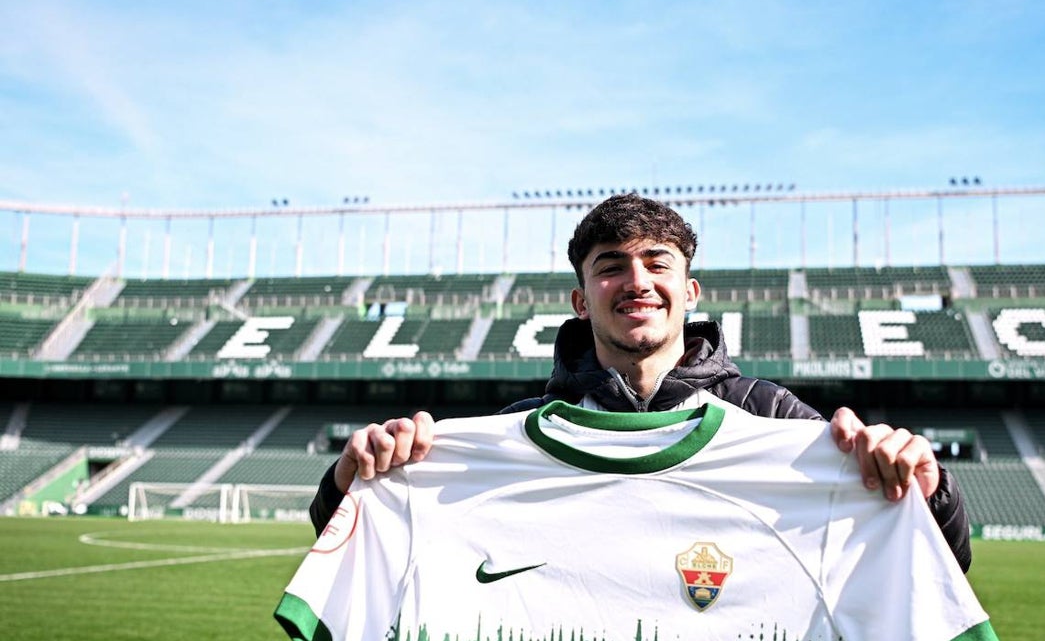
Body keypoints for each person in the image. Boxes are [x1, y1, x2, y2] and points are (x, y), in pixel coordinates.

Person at [308, 193, 971, 572]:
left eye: (657, 263)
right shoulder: (514, 431)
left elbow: (932, 564)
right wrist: (354, 479)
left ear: (690, 289)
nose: (637, 281)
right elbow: (366, 552)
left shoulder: (773, 418)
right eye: (610, 267)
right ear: (580, 300)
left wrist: (924, 488)